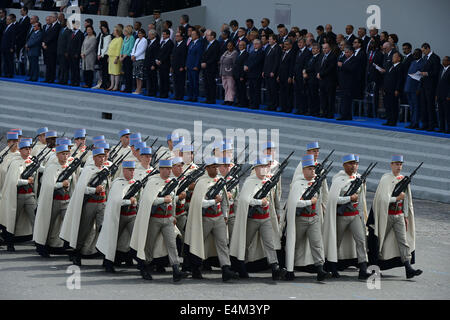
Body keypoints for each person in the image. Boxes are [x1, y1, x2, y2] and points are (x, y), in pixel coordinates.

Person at [129, 159, 188, 282]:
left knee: (172, 245)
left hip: (167, 218)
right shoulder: (152, 182)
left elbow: (172, 201)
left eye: (169, 169)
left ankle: (176, 269)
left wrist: (173, 216)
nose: (168, 171)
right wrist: (163, 200)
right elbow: (149, 201)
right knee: (149, 245)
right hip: (155, 218)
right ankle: (144, 267)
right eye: (166, 169)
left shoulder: (172, 182)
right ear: (160, 169)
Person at [184, 157, 239, 281]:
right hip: (205, 218)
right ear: (207, 168)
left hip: (218, 216)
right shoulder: (201, 182)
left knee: (223, 243)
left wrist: (225, 215)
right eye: (213, 167)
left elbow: (225, 200)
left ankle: (226, 269)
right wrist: (213, 201)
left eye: (216, 166)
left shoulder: (219, 180)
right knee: (198, 242)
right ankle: (196, 268)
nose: (216, 169)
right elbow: (200, 203)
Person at [367, 155, 422, 279]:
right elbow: (381, 199)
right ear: (391, 165)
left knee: (403, 242)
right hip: (386, 216)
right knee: (379, 241)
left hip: (399, 215)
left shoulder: (403, 179)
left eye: (400, 164)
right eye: (396, 164)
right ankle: (374, 267)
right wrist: (396, 198)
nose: (399, 167)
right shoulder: (386, 179)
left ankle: (408, 268)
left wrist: (406, 216)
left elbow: (407, 199)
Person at [229, 158, 285, 280]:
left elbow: (273, 199)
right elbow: (244, 200)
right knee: (246, 243)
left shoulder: (267, 181)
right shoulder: (250, 182)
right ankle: (241, 265)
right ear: (255, 168)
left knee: (269, 243)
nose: (264, 169)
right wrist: (260, 202)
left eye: (266, 166)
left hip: (265, 217)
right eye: (261, 166)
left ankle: (275, 266)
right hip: (252, 218)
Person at [323, 154, 371, 279]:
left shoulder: (358, 179)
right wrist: (349, 198)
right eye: (350, 163)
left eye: (355, 164)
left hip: (355, 215)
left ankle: (363, 268)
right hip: (342, 215)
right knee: (336, 241)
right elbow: (334, 199)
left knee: (361, 241)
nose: (353, 166)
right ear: (344, 165)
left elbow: (361, 200)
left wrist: (361, 215)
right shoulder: (339, 180)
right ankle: (332, 267)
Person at [60, 148, 109, 266]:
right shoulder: (88, 170)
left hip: (102, 203)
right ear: (94, 158)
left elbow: (108, 188)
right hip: (90, 203)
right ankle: (77, 253)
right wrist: (94, 190)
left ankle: (104, 256)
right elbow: (81, 189)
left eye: (103, 156)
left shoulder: (106, 170)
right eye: (99, 156)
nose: (102, 159)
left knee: (102, 229)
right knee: (84, 229)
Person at [285, 157, 331, 281]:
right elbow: (294, 203)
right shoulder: (297, 184)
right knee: (295, 244)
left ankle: (320, 268)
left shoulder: (316, 182)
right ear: (303, 170)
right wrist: (309, 202)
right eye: (309, 169)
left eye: (313, 169)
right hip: (301, 219)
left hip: (313, 218)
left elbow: (321, 198)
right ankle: (289, 268)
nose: (312, 171)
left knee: (317, 244)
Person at [96, 160, 138, 273]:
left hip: (132, 215)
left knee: (136, 238)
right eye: (129, 170)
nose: (132, 172)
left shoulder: (135, 183)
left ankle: (140, 263)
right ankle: (107, 262)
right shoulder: (118, 183)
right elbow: (116, 201)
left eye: (133, 170)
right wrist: (129, 201)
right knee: (112, 240)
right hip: (119, 216)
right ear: (124, 170)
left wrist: (135, 202)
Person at [33, 144, 73, 257]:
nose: (65, 156)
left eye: (67, 154)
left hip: (66, 200)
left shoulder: (69, 167)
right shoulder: (51, 167)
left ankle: (66, 247)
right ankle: (43, 246)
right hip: (54, 200)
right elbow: (49, 185)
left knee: (67, 223)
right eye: (63, 154)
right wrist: (62, 184)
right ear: (57, 155)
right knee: (49, 224)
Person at [0, 139, 35, 252]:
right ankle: (10, 243)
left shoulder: (31, 161)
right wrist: (27, 182)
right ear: (20, 150)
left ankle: (39, 243)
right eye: (26, 149)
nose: (28, 151)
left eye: (29, 148)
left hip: (30, 195)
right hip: (19, 196)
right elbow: (14, 181)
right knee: (13, 220)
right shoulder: (15, 163)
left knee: (35, 218)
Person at [419, 43, 441, 131]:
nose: (423, 52)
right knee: (423, 106)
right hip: (424, 85)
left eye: (424, 51)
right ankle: (425, 124)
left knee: (430, 106)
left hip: (431, 86)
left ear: (428, 48)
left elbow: (436, 72)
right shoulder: (424, 58)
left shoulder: (435, 58)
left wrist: (427, 73)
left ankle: (431, 125)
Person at [404, 49, 425, 129]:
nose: (415, 55)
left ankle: (415, 123)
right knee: (411, 106)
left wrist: (418, 88)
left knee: (416, 107)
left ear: (420, 54)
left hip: (415, 88)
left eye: (417, 53)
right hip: (409, 87)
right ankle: (412, 122)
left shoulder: (423, 63)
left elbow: (421, 78)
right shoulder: (412, 62)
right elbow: (408, 75)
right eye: (414, 53)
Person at [336, 46, 359, 121]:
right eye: (345, 52)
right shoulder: (343, 58)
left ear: (352, 52)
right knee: (343, 99)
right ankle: (345, 115)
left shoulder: (355, 59)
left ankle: (345, 115)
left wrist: (342, 65)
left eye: (347, 52)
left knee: (347, 100)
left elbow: (352, 69)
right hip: (342, 82)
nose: (346, 54)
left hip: (349, 83)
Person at [383, 52, 403, 126]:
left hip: (394, 90)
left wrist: (397, 89)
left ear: (399, 58)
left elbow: (400, 79)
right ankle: (388, 120)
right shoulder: (390, 66)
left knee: (393, 106)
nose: (392, 58)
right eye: (392, 56)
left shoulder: (400, 66)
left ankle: (393, 121)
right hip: (387, 89)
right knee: (387, 105)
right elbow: (386, 78)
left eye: (394, 56)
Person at [317, 43, 337, 118]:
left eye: (326, 48)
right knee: (323, 97)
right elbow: (318, 65)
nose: (324, 50)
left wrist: (321, 74)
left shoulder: (333, 56)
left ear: (329, 48)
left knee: (330, 98)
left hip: (329, 81)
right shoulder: (322, 55)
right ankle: (323, 112)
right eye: (323, 48)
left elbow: (330, 68)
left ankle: (330, 113)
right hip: (321, 80)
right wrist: (318, 73)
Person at [293, 38, 312, 114]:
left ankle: (304, 109)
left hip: (303, 76)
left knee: (303, 93)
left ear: (304, 43)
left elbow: (307, 64)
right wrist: (294, 75)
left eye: (300, 43)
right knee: (297, 93)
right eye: (298, 43)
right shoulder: (298, 51)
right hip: (297, 75)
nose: (299, 44)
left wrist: (304, 72)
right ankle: (299, 108)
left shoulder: (307, 52)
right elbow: (295, 64)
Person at [263, 34, 281, 111]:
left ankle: (274, 105)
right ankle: (269, 104)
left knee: (273, 90)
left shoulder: (277, 48)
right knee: (268, 90)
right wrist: (263, 70)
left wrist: (273, 71)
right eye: (269, 39)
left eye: (270, 39)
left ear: (274, 40)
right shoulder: (268, 47)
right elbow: (265, 60)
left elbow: (277, 61)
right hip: (267, 71)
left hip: (272, 72)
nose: (269, 40)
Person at [244, 39, 265, 109]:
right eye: (254, 44)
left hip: (257, 74)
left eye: (256, 44)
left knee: (256, 90)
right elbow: (248, 60)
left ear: (260, 44)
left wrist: (248, 67)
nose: (255, 45)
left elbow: (257, 62)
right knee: (251, 90)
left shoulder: (261, 52)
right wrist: (245, 65)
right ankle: (251, 103)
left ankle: (256, 104)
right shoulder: (252, 52)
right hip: (250, 74)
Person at [201, 30, 220, 104]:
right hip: (205, 67)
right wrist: (202, 62)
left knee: (211, 83)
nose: (206, 37)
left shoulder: (216, 44)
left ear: (212, 36)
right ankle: (207, 98)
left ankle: (212, 99)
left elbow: (214, 57)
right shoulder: (207, 44)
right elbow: (204, 54)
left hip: (211, 67)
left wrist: (207, 63)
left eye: (208, 35)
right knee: (206, 83)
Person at [277, 39, 296, 113]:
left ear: (291, 45)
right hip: (281, 76)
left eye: (287, 44)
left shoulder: (292, 53)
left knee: (288, 93)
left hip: (287, 76)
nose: (285, 46)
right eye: (284, 44)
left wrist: (290, 76)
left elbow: (292, 66)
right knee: (282, 93)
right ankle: (283, 107)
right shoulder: (283, 53)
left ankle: (288, 108)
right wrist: (278, 75)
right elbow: (280, 65)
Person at [303, 43, 322, 116]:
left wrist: (305, 71)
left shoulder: (319, 57)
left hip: (314, 79)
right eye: (312, 49)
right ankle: (310, 110)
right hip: (308, 79)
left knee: (314, 96)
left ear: (318, 50)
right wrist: (304, 70)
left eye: (315, 49)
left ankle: (315, 111)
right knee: (309, 95)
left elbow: (314, 68)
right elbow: (306, 65)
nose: (313, 50)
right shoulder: (311, 57)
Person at [185, 29, 203, 102]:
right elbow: (188, 55)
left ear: (197, 35)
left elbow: (199, 56)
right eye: (191, 34)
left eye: (193, 34)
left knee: (195, 82)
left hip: (194, 66)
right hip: (189, 65)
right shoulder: (191, 43)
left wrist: (196, 65)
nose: (191, 36)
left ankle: (195, 97)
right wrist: (186, 64)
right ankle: (190, 96)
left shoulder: (199, 43)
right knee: (190, 82)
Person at [156, 29, 174, 98]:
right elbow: (159, 52)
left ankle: (165, 93)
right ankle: (161, 92)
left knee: (165, 79)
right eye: (162, 34)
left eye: (164, 34)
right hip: (160, 64)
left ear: (168, 35)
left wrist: (161, 60)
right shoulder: (162, 42)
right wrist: (157, 60)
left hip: (165, 64)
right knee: (161, 79)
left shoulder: (170, 43)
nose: (163, 35)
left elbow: (167, 54)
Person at [42, 13, 60, 83]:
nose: (50, 18)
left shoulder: (57, 26)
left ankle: (51, 79)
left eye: (51, 17)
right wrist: (44, 42)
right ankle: (47, 78)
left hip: (52, 48)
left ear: (55, 18)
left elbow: (53, 36)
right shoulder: (51, 26)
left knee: (52, 64)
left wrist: (45, 42)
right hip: (47, 47)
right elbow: (46, 35)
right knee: (48, 64)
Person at [93, 21, 111, 90]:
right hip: (100, 54)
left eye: (104, 28)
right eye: (102, 28)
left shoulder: (108, 36)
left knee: (105, 71)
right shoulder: (101, 35)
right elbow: (100, 45)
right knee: (102, 71)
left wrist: (102, 54)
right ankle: (102, 84)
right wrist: (98, 54)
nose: (103, 29)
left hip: (105, 55)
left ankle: (105, 84)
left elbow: (106, 46)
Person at [219, 40, 238, 106]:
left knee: (231, 87)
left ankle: (231, 100)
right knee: (225, 87)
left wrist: (233, 72)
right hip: (223, 72)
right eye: (228, 46)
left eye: (230, 46)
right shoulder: (225, 52)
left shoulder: (235, 53)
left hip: (230, 72)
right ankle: (226, 99)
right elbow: (221, 61)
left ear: (233, 46)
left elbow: (235, 63)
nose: (229, 47)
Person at [106, 25, 123, 91]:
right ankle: (112, 85)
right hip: (111, 57)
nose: (113, 31)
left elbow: (119, 49)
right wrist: (108, 56)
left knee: (116, 72)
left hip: (116, 58)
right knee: (111, 72)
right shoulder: (114, 39)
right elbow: (110, 48)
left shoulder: (120, 39)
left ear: (118, 31)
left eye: (114, 30)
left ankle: (116, 86)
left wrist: (116, 57)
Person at [130, 28, 147, 95]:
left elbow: (142, 50)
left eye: (141, 33)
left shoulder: (144, 40)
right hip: (135, 59)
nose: (139, 34)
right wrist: (132, 55)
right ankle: (137, 88)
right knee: (136, 75)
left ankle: (139, 89)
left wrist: (135, 55)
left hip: (140, 59)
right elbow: (134, 48)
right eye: (138, 33)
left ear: (143, 34)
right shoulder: (137, 39)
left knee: (140, 75)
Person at [171, 31, 187, 100]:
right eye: (175, 36)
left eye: (177, 36)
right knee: (175, 82)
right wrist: (171, 66)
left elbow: (184, 56)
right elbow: (173, 56)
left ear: (181, 37)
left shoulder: (184, 45)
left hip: (180, 67)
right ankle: (176, 94)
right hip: (174, 66)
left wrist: (182, 66)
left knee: (180, 82)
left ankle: (180, 96)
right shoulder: (176, 44)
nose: (176, 37)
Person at [119, 25, 135, 93]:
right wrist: (120, 56)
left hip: (128, 57)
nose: (124, 32)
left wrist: (124, 57)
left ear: (128, 31)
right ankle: (125, 87)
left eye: (125, 31)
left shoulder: (131, 38)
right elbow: (122, 48)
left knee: (128, 73)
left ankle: (129, 88)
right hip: (123, 57)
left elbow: (130, 48)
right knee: (125, 73)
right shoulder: (125, 38)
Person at [144, 29, 160, 97]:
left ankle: (153, 92)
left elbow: (156, 55)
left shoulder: (156, 43)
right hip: (148, 63)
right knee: (149, 78)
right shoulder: (149, 42)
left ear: (154, 35)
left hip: (152, 64)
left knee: (153, 78)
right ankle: (149, 91)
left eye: (150, 35)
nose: (149, 36)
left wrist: (154, 64)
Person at [436, 56, 450, 133]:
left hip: (447, 96)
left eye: (445, 60)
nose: (443, 61)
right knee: (440, 112)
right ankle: (442, 128)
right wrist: (437, 94)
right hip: (440, 95)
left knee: (447, 113)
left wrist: (449, 95)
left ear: (449, 62)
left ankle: (449, 128)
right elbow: (439, 83)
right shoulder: (441, 70)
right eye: (443, 60)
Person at [232, 40, 248, 107]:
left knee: (242, 89)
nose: (240, 46)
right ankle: (238, 101)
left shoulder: (246, 54)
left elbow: (244, 65)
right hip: (236, 74)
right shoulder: (239, 53)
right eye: (239, 45)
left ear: (244, 46)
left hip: (241, 75)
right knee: (238, 89)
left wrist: (242, 75)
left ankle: (243, 102)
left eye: (241, 45)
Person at [57, 19, 72, 85]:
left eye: (62, 21)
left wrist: (67, 51)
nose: (61, 22)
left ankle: (64, 80)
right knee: (61, 66)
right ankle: (61, 79)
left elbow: (69, 42)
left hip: (64, 52)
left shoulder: (69, 31)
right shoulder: (61, 30)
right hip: (60, 51)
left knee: (65, 67)